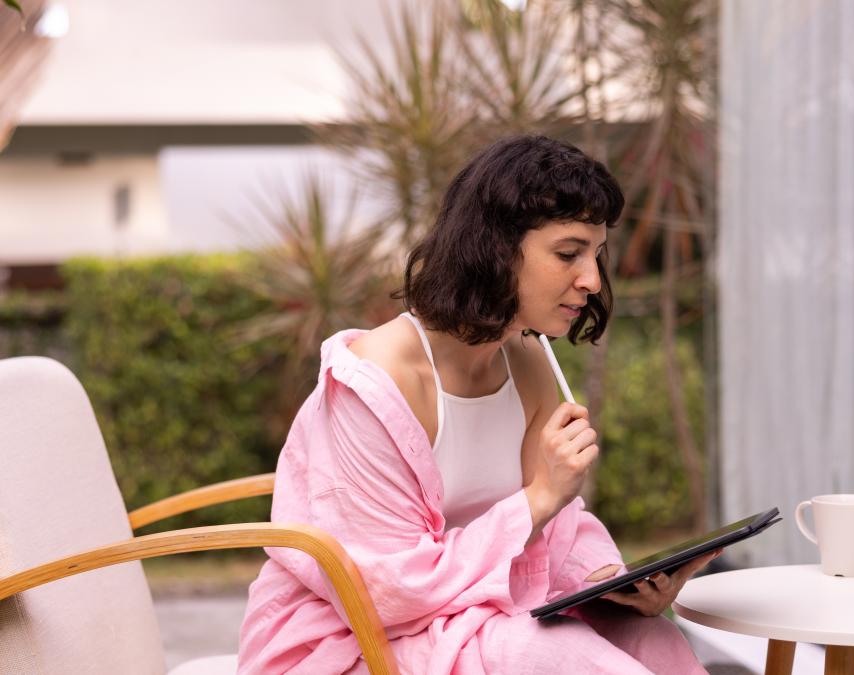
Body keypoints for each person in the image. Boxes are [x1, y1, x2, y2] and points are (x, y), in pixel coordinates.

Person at [238, 135, 713, 674]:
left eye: (596, 254)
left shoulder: (528, 364)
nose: (591, 280)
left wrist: (609, 581)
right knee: (562, 659)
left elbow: (560, 528)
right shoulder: (378, 382)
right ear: (495, 247)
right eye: (568, 253)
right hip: (351, 642)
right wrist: (539, 498)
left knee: (650, 639)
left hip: (482, 616)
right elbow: (382, 591)